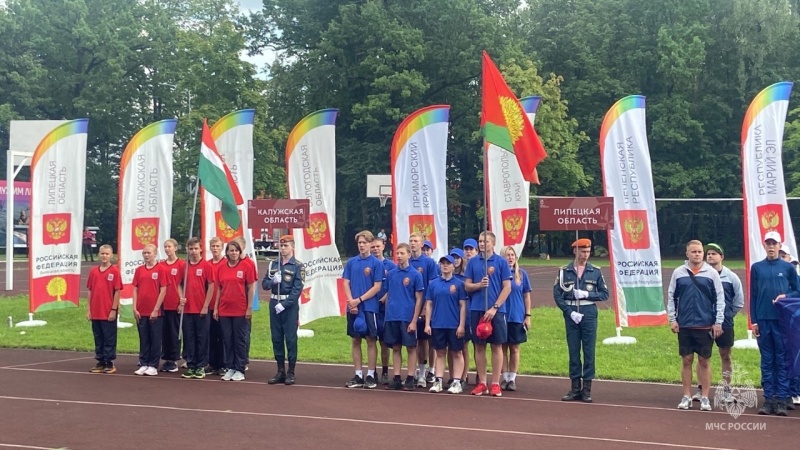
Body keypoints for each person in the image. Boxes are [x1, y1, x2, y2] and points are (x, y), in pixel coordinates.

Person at [667, 240, 724, 411]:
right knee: (686, 360)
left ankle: (705, 397)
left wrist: (718, 322)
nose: (697, 254)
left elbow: (720, 299)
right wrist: (672, 319)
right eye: (694, 252)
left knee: (704, 361)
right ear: (687, 254)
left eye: (699, 252)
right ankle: (686, 396)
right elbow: (671, 297)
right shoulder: (678, 273)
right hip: (684, 324)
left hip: (705, 325)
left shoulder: (711, 273)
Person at [553, 238, 609, 403]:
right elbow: (557, 295)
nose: (586, 254)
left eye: (588, 251)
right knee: (573, 350)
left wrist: (586, 294)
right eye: (582, 251)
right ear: (575, 251)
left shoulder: (595, 271)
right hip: (571, 313)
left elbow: (604, 294)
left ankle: (587, 389)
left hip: (588, 312)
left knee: (589, 351)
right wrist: (569, 312)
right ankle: (575, 387)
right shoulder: (564, 271)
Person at [752, 231, 799, 416]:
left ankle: (782, 398)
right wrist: (754, 321)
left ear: (780, 246)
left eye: (774, 243)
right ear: (764, 245)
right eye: (768, 243)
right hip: (763, 320)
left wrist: (785, 296)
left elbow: (797, 291)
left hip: (782, 321)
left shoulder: (788, 268)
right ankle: (768, 399)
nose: (771, 247)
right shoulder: (757, 268)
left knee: (782, 359)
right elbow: (754, 295)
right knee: (767, 360)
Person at [690, 243, 743, 403]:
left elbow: (738, 301)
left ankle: (727, 391)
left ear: (722, 257)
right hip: (704, 322)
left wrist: (727, 316)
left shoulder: (731, 277)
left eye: (714, 253)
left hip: (725, 323)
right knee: (702, 357)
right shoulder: (701, 275)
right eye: (708, 254)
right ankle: (700, 389)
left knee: (725, 355)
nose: (710, 256)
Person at [465, 231, 512, 397]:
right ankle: (482, 382)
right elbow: (467, 285)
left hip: (496, 311)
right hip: (477, 308)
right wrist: (479, 285)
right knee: (479, 346)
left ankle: (495, 383)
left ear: (493, 243)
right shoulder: (472, 262)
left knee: (497, 345)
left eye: (485, 241)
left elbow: (507, 287)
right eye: (480, 241)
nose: (482, 244)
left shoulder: (501, 262)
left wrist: (495, 307)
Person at [342, 230, 384, 389]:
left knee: (371, 340)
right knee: (355, 340)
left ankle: (371, 375)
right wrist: (351, 302)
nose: (361, 245)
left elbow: (377, 286)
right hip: (353, 308)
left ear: (370, 244)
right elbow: (346, 282)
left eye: (364, 243)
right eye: (359, 243)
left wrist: (359, 300)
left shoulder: (376, 264)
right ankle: (358, 375)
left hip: (369, 307)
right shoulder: (352, 262)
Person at [262, 235, 304, 385]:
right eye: (281, 246)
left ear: (292, 247)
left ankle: (291, 372)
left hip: (289, 306)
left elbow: (297, 290)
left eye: (286, 246)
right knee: (277, 338)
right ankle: (280, 370)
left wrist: (284, 304)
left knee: (291, 339)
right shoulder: (273, 265)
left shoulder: (298, 266)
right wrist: (273, 280)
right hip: (274, 301)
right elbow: (264, 284)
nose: (283, 248)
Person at [214, 240, 256, 381]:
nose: (233, 253)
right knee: (227, 340)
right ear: (226, 252)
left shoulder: (246, 266)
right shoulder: (221, 268)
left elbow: (251, 287)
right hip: (225, 310)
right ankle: (230, 367)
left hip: (240, 310)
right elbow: (219, 289)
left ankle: (240, 368)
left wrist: (249, 308)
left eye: (236, 250)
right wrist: (216, 307)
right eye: (231, 250)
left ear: (240, 252)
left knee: (239, 340)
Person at [424, 254, 468, 394]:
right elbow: (429, 305)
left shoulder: (459, 284)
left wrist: (461, 325)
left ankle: (456, 381)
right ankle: (438, 380)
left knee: (456, 352)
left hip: (454, 324)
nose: (445, 265)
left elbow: (462, 306)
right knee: (440, 352)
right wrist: (427, 324)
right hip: (438, 324)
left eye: (448, 263)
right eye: (442, 263)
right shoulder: (433, 284)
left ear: (453, 265)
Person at [383, 243, 423, 391]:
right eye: (397, 253)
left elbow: (419, 298)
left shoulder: (415, 275)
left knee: (411, 347)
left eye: (402, 253)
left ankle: (411, 378)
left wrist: (414, 320)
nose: (399, 256)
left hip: (407, 317)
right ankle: (397, 377)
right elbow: (388, 294)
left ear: (408, 255)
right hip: (392, 316)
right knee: (396, 347)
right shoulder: (391, 274)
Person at [179, 237, 215, 379]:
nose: (193, 251)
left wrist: (206, 306)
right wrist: (181, 297)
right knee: (189, 338)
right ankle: (191, 364)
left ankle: (201, 366)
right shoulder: (184, 266)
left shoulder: (206, 266)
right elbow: (178, 284)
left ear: (201, 249)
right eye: (190, 249)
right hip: (187, 309)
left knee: (202, 338)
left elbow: (211, 286)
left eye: (196, 248)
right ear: (187, 250)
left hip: (201, 310)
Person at [132, 244, 168, 376]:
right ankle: (144, 363)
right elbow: (135, 288)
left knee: (155, 338)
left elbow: (163, 290)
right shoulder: (139, 270)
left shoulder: (161, 269)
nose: (146, 255)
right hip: (141, 310)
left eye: (149, 253)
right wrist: (134, 307)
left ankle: (153, 365)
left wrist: (156, 309)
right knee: (144, 338)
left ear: (155, 254)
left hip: (155, 311)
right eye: (144, 253)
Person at [409, 232, 439, 387]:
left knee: (424, 341)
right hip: (408, 308)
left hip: (424, 308)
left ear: (421, 244)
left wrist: (426, 308)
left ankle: (425, 372)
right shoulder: (406, 261)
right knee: (410, 342)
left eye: (415, 241)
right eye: (411, 240)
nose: (413, 243)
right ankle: (412, 371)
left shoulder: (429, 263)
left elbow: (432, 286)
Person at [500, 246, 532, 391]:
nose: (510, 258)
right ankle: (504, 377)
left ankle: (512, 378)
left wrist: (528, 315)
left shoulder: (522, 274)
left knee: (514, 347)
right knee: (501, 347)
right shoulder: (499, 273)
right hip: (501, 315)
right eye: (507, 255)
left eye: (512, 255)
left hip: (517, 316)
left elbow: (526, 295)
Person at [86, 244, 122, 374]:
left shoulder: (114, 271)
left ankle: (109, 361)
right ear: (98, 254)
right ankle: (100, 360)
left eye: (107, 254)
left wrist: (114, 309)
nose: (104, 256)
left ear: (111, 255)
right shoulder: (94, 271)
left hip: (108, 311)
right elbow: (90, 290)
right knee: (98, 337)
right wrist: (88, 309)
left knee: (109, 337)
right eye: (102, 253)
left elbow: (117, 291)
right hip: (96, 310)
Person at [371, 237, 396, 385]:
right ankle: (372, 371)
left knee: (384, 342)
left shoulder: (391, 266)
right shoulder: (369, 263)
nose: (375, 249)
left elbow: (393, 285)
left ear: (383, 247)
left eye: (377, 246)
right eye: (373, 246)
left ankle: (385, 371)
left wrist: (385, 297)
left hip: (385, 308)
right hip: (370, 306)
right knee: (371, 340)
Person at [160, 239, 185, 372]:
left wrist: (181, 301)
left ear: (175, 248)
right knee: (165, 333)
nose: (167, 249)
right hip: (163, 304)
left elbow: (183, 284)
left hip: (175, 304)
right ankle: (167, 358)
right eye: (165, 247)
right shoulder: (162, 265)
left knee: (175, 332)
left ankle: (174, 359)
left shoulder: (181, 264)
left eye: (169, 246)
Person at [206, 237, 226, 375]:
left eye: (217, 246)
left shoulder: (226, 264)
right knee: (210, 336)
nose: (215, 248)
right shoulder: (207, 265)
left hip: (222, 307)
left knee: (223, 336)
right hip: (208, 306)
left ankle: (223, 364)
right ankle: (212, 363)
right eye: (213, 246)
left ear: (222, 247)